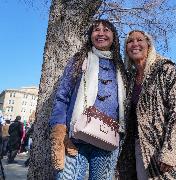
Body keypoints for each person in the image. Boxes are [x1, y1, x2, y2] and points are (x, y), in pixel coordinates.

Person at [49, 19, 127, 180]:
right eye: (96, 30)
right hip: (75, 138)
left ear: (114, 36)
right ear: (90, 35)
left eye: (106, 30)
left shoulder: (121, 67)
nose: (101, 33)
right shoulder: (79, 60)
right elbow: (62, 96)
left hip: (108, 141)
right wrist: (58, 129)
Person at [117, 30, 176, 180]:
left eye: (139, 40)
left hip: (164, 147)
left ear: (148, 45)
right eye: (130, 41)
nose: (135, 44)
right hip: (141, 148)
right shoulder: (130, 77)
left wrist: (170, 151)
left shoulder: (165, 69)